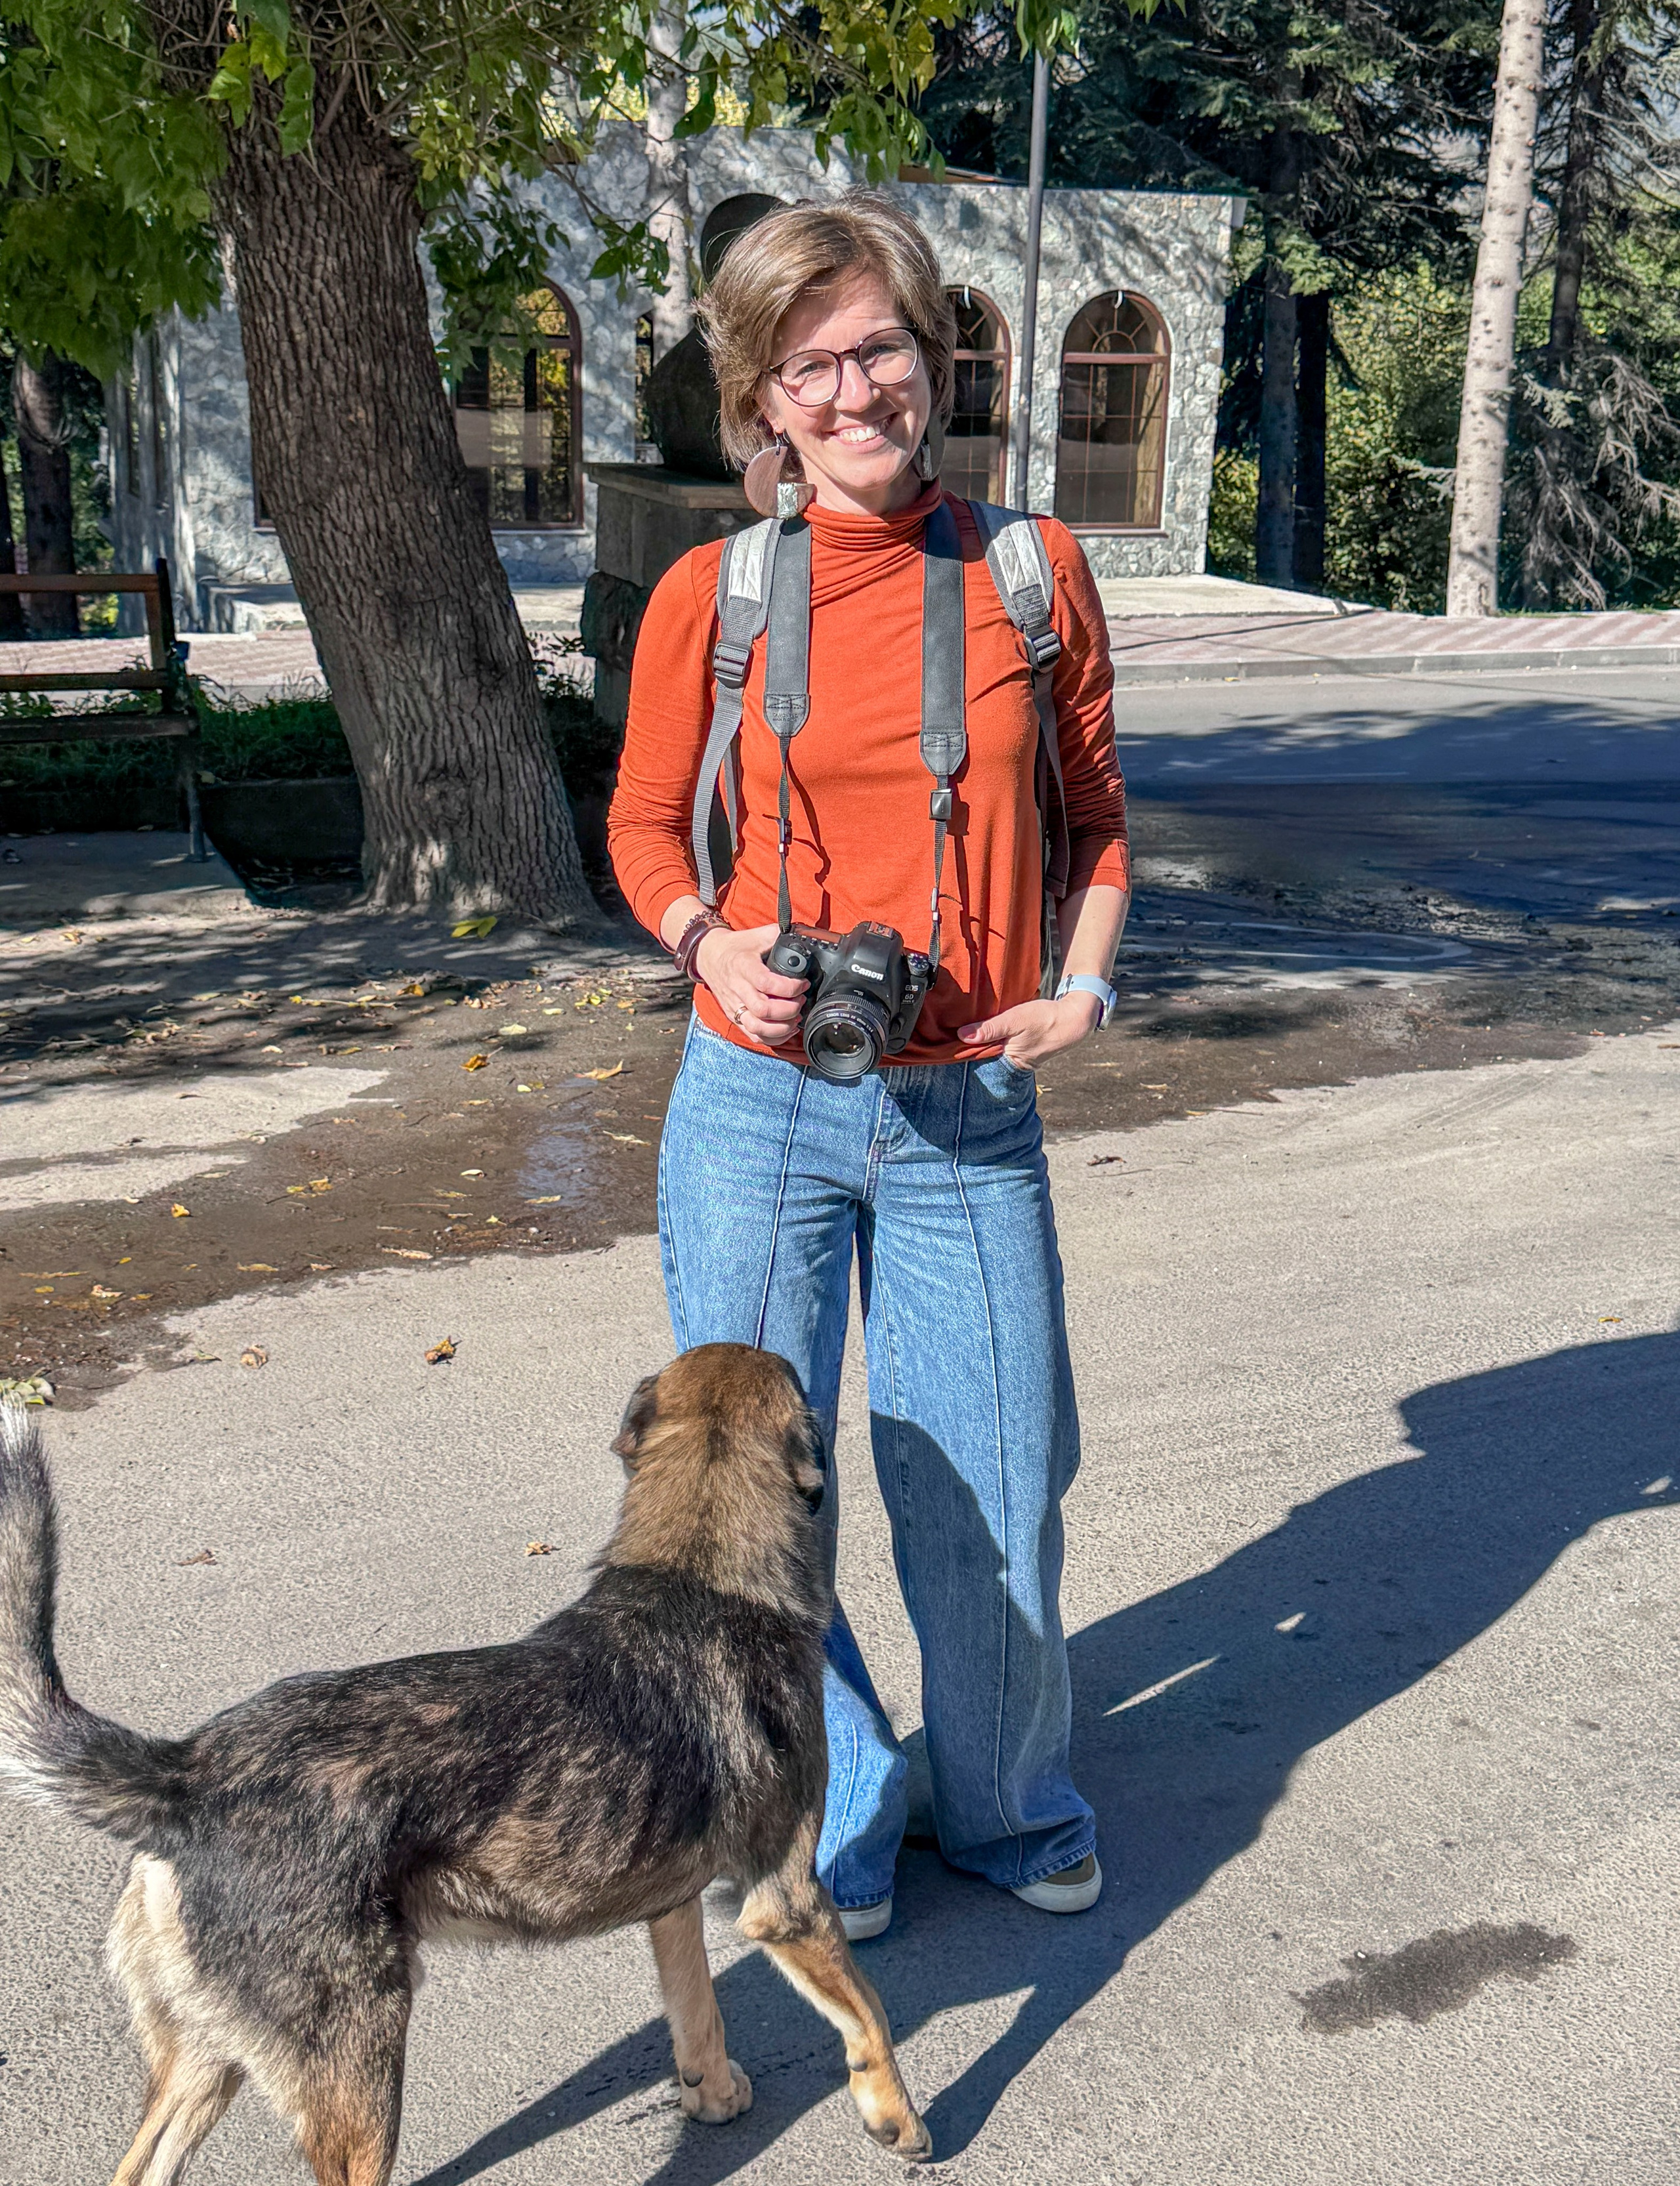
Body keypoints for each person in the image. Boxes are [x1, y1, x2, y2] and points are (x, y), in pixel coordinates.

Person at [608, 192, 1129, 1940]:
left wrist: (1084, 988)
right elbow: (637, 825)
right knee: (748, 1501)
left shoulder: (1033, 574)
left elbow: (1107, 831)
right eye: (810, 364)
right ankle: (831, 1789)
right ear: (764, 400)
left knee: (996, 1479)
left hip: (971, 1098)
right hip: (756, 1104)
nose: (854, 389)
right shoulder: (714, 590)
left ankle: (1002, 1799)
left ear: (934, 355)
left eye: (881, 348)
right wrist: (708, 941)